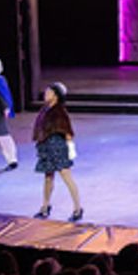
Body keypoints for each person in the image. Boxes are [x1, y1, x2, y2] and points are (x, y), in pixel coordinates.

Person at [31, 82, 83, 222]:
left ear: (56, 96)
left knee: (67, 177)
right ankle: (45, 206)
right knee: (48, 178)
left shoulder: (60, 111)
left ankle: (78, 209)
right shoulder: (45, 109)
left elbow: (67, 131)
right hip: (47, 146)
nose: (45, 94)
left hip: (58, 146)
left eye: (48, 92)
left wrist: (71, 148)